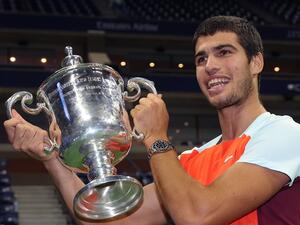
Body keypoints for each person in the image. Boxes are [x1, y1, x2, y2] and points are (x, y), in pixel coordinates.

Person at [4, 15, 300, 225]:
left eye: (224, 52)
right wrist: (51, 158)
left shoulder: (285, 134)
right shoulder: (191, 161)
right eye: (201, 58)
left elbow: (198, 216)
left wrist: (156, 137)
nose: (210, 66)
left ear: (256, 62)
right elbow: (107, 222)